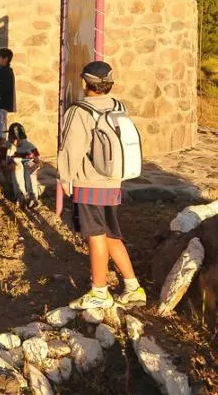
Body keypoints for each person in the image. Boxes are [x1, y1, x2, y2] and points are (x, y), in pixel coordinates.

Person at [59, 61, 146, 310]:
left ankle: (99, 291)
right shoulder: (119, 106)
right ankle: (133, 287)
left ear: (85, 83)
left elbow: (72, 149)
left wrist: (65, 179)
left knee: (96, 235)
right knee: (110, 234)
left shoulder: (80, 111)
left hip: (89, 182)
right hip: (113, 180)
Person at [5, 123, 41, 208]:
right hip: (14, 173)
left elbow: (38, 162)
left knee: (29, 166)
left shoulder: (29, 146)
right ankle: (20, 195)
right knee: (18, 166)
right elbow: (4, 164)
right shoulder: (8, 147)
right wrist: (10, 165)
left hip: (27, 172)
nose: (19, 141)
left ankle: (32, 195)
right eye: (16, 139)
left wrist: (34, 166)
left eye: (21, 139)